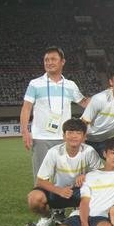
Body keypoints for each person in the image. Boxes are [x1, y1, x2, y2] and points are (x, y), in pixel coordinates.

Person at [23, 137, 114, 226]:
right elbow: (84, 202)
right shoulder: (90, 176)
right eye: (113, 153)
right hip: (81, 215)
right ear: (104, 154)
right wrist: (84, 224)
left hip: (102, 217)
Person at [20, 46, 89, 181]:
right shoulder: (35, 84)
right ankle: (41, 201)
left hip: (65, 138)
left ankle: (61, 201)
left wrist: (105, 95)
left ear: (62, 62)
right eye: (46, 60)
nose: (49, 62)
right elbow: (26, 108)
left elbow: (85, 103)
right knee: (41, 177)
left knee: (65, 177)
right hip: (41, 138)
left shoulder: (70, 85)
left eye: (53, 59)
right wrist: (25, 132)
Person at [26, 118, 101, 226]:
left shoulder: (89, 151)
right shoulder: (54, 152)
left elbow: (101, 173)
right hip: (58, 191)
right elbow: (40, 181)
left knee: (101, 193)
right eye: (70, 132)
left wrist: (87, 176)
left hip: (80, 191)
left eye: (78, 133)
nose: (74, 136)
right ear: (64, 136)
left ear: (84, 137)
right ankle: (47, 217)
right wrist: (59, 190)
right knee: (34, 198)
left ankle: (78, 212)